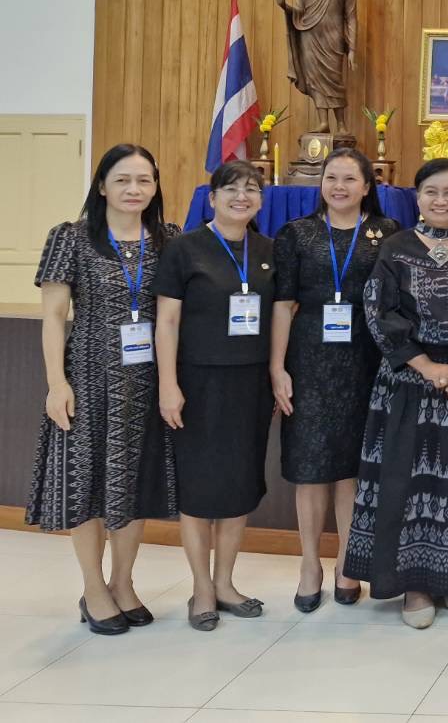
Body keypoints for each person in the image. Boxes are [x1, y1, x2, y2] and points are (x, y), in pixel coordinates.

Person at [342, 158, 448, 629]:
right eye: (431, 192)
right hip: (410, 383)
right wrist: (428, 366)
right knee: (411, 485)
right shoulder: (395, 248)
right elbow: (380, 314)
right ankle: (415, 585)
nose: (440, 200)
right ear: (417, 197)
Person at [30, 144, 178, 635]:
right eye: (122, 180)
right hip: (89, 380)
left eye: (144, 180)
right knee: (88, 486)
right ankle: (93, 588)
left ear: (155, 186)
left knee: (134, 484)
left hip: (147, 383)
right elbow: (53, 317)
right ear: (101, 186)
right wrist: (57, 383)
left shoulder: (168, 239)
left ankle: (123, 582)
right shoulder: (71, 238)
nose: (134, 189)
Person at [269, 148, 399, 612]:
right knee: (309, 468)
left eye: (350, 178)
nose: (339, 186)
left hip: (367, 361)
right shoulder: (296, 234)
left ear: (368, 186)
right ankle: (309, 564)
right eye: (331, 178)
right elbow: (282, 304)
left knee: (352, 469)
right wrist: (277, 366)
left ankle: (348, 561)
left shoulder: (386, 235)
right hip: (309, 361)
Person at [154, 159, 277, 632]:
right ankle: (201, 588)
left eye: (251, 190)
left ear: (261, 201)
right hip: (198, 384)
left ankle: (226, 583)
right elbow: (166, 321)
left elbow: (280, 316)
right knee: (200, 490)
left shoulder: (267, 250)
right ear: (212, 198)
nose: (241, 197)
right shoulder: (186, 249)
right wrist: (169, 384)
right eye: (231, 189)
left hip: (249, 385)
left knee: (239, 486)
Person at [275, 0, 357, 135]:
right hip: (309, 37)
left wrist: (352, 48)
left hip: (333, 40)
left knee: (334, 79)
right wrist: (285, 7)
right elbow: (301, 13)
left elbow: (351, 16)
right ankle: (323, 121)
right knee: (315, 80)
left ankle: (341, 124)